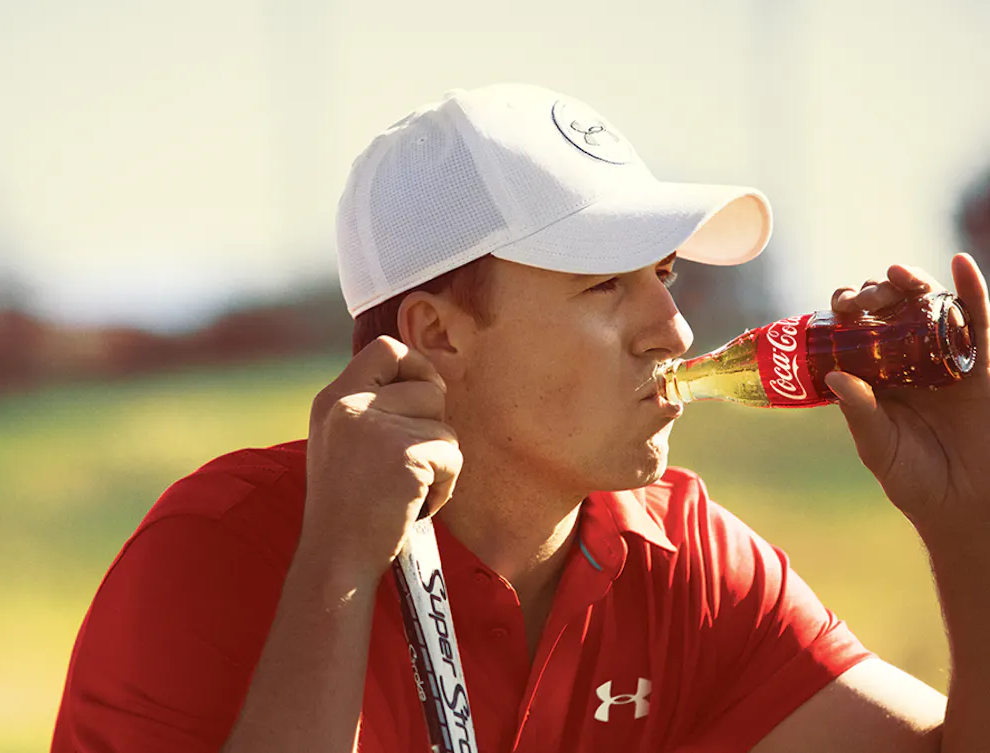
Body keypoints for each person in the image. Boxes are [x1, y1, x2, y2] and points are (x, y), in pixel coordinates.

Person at [51, 84, 989, 752]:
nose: (674, 327)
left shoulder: (691, 564)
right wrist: (335, 572)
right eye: (604, 285)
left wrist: (972, 525)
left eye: (663, 274)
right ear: (438, 335)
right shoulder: (217, 551)